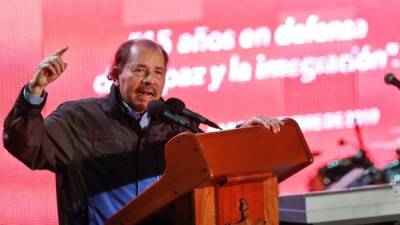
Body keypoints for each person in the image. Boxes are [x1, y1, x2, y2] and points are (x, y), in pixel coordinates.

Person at [2, 39, 283, 225]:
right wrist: (34, 92)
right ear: (115, 73)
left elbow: (209, 161)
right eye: (140, 70)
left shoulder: (174, 124)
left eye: (158, 72)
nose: (150, 80)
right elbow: (28, 146)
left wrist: (242, 136)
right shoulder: (79, 118)